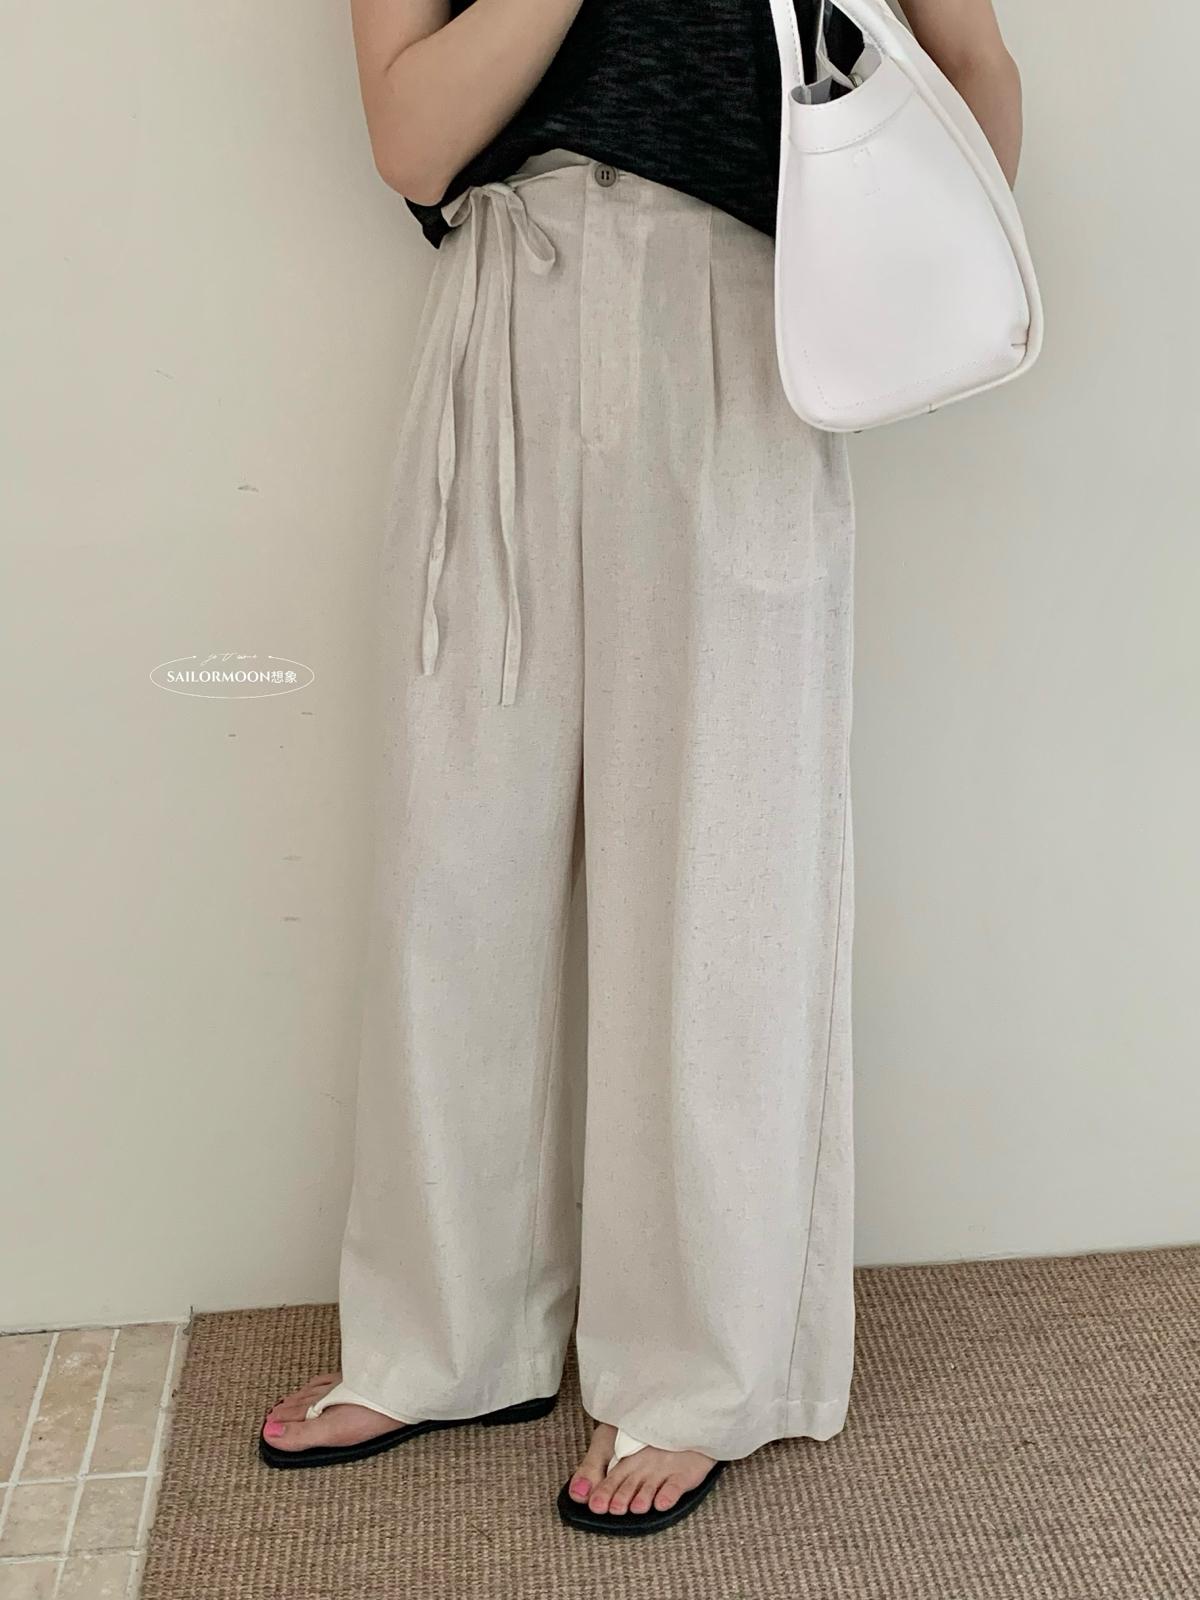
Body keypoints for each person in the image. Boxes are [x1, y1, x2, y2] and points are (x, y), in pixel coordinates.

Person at [257, 0, 1024, 1536]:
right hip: (507, 303)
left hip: (738, 313)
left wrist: (922, 267)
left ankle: (700, 1366)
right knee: (452, 864)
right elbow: (411, 140)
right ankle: (443, 1336)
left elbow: (974, 61)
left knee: (723, 863)